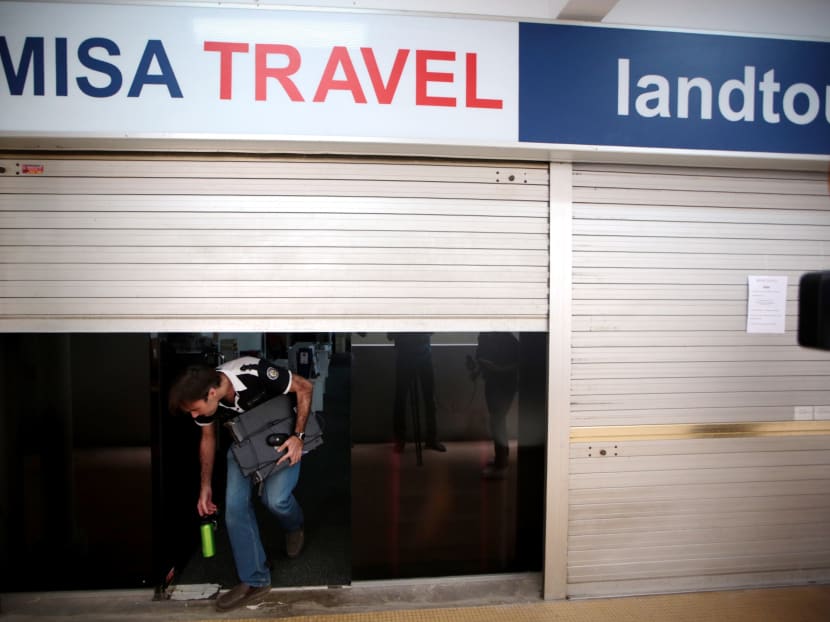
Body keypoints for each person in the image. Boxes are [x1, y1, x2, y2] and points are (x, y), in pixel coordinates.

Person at [168, 356, 313, 611]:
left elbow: (304, 386)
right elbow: (208, 438)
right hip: (243, 446)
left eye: (195, 409)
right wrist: (205, 486)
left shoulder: (253, 371)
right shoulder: (207, 400)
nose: (194, 415)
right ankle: (256, 579)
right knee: (234, 509)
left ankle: (294, 526)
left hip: (281, 437)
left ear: (211, 393)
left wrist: (298, 437)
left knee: (275, 500)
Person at [387, 333, 446, 453]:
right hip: (416, 356)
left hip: (413, 356)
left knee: (406, 399)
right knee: (405, 399)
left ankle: (402, 440)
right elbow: (390, 335)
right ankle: (427, 439)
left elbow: (390, 336)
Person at [474, 333, 519, 479]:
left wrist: (498, 370)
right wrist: (477, 369)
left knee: (497, 421)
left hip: (506, 384)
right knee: (497, 421)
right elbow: (480, 358)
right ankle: (501, 457)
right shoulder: (484, 336)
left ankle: (501, 462)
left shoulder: (508, 339)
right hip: (492, 383)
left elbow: (519, 362)